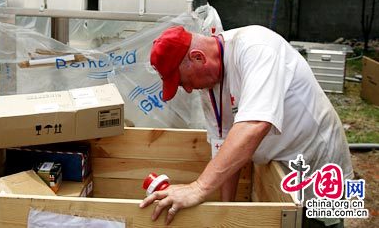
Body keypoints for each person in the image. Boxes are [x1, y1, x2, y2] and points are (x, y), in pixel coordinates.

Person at [140, 25, 353, 227]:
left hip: (315, 162)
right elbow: (225, 149)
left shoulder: (256, 48)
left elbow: (254, 125)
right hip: (278, 165)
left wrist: (199, 187)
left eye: (183, 81)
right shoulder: (208, 85)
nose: (187, 89)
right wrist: (226, 213)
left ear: (198, 57)